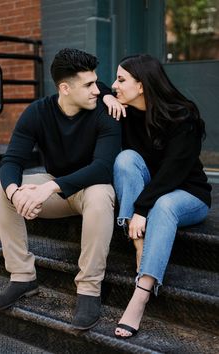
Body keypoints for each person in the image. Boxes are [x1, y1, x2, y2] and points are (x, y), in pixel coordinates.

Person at [0, 48, 121, 330]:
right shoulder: (38, 111)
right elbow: (12, 160)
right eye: (89, 85)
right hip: (58, 190)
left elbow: (103, 168)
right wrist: (16, 193)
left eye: (97, 83)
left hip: (88, 192)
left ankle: (89, 289)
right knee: (1, 189)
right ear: (65, 88)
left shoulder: (106, 111)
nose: (98, 90)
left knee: (100, 191)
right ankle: (22, 277)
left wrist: (50, 188)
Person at [102, 54, 211, 339]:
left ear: (142, 85)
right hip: (151, 191)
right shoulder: (126, 113)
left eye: (121, 80)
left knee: (163, 205)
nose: (115, 85)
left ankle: (140, 295)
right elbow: (97, 86)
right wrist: (105, 98)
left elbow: (172, 173)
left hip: (188, 195)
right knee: (125, 160)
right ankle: (140, 245)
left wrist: (141, 209)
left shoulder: (183, 116)